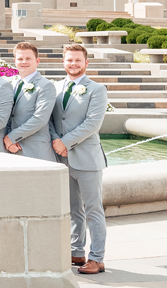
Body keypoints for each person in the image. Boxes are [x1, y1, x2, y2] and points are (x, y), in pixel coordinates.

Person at [50, 44, 109, 275]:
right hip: (62, 158)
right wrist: (57, 141)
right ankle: (77, 251)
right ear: (63, 62)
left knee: (94, 209)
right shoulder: (55, 87)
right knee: (74, 208)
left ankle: (97, 258)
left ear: (86, 63)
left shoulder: (96, 89)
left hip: (87, 158)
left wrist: (65, 142)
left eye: (77, 60)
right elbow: (51, 121)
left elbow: (93, 124)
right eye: (69, 60)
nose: (73, 64)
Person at [4, 42, 58, 160]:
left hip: (35, 149)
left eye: (28, 58)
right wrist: (8, 140)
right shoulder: (11, 84)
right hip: (11, 148)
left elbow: (40, 119)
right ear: (15, 61)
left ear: (37, 61)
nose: (24, 62)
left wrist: (12, 137)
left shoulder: (46, 85)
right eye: (20, 59)